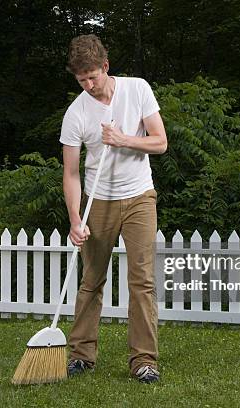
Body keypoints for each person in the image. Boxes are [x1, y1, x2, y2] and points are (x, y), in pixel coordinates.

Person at [59, 34, 167, 384]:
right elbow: (72, 173)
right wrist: (76, 219)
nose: (89, 85)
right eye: (81, 80)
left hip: (139, 196)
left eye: (93, 75)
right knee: (91, 280)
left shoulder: (137, 90)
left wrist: (123, 139)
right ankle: (81, 355)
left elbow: (160, 142)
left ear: (105, 66)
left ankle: (144, 361)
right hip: (98, 201)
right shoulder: (76, 114)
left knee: (142, 281)